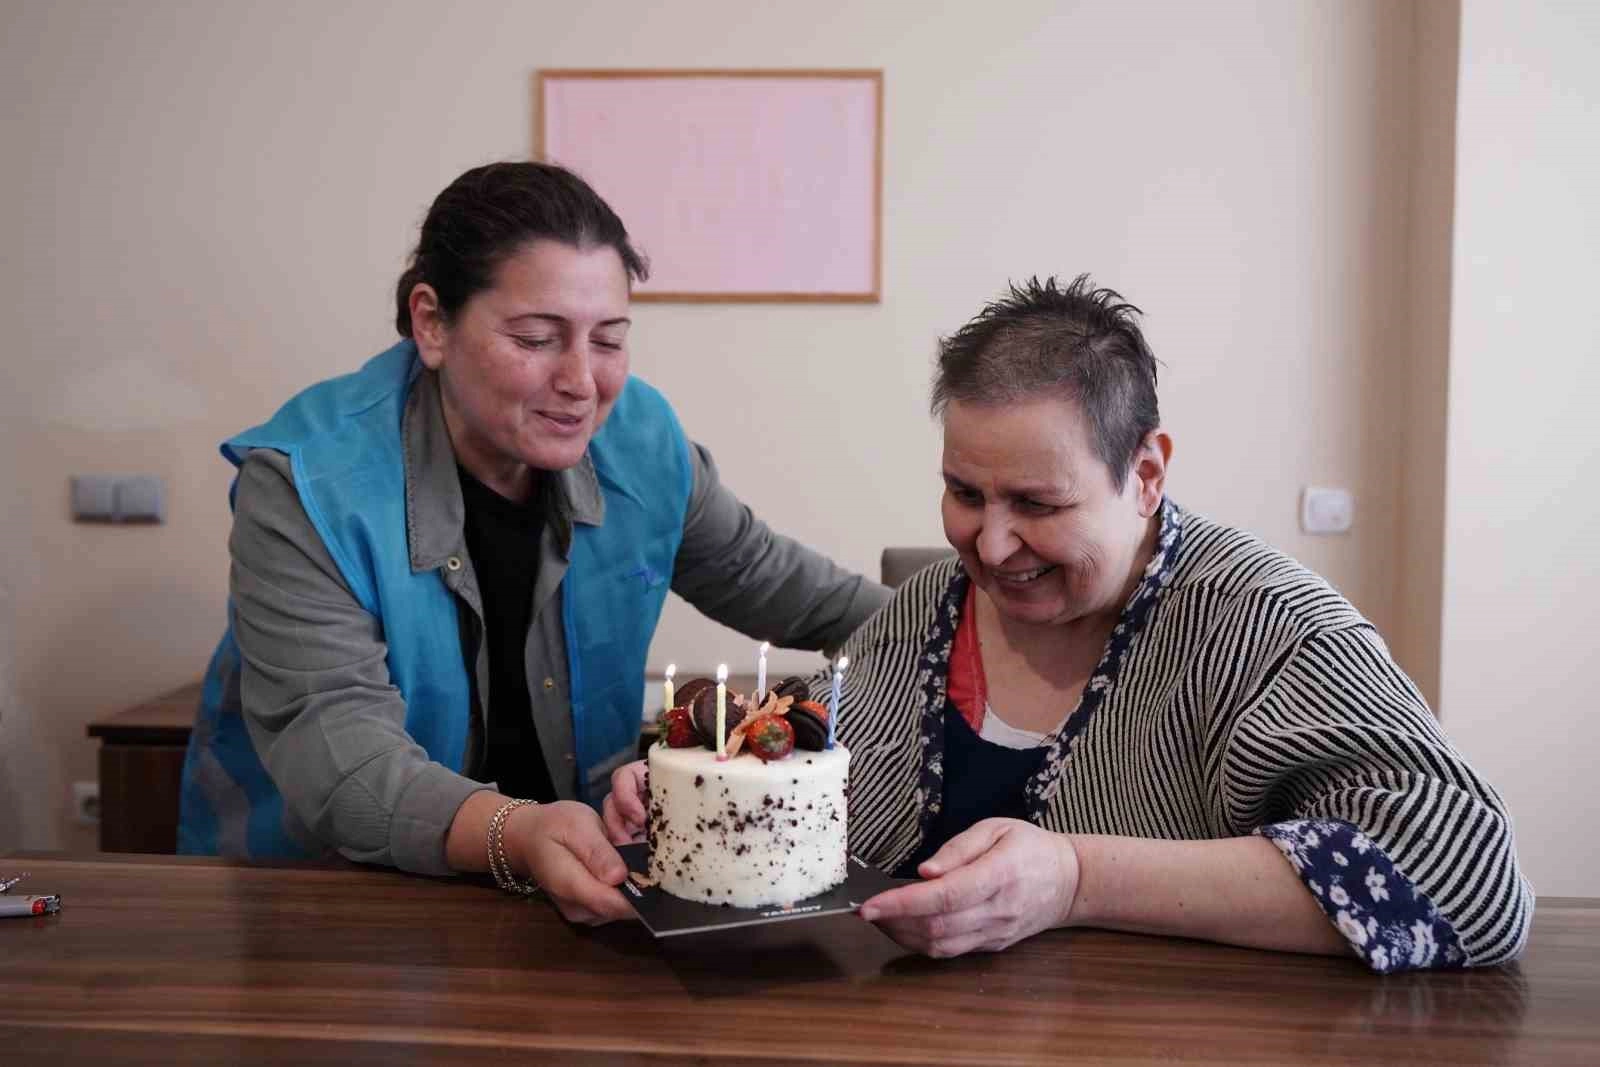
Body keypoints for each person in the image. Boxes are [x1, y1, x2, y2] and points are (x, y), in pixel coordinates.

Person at [606, 275, 1533, 972]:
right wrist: (687, 793)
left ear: (1147, 473)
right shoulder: (923, 616)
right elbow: (801, 786)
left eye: (1038, 503)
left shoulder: (1265, 626)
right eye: (964, 492)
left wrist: (1077, 878)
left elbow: (1470, 882)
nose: (991, 544)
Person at [178, 162, 889, 924]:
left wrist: (964, 618)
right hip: (326, 902)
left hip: (568, 893)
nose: (582, 381)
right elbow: (342, 755)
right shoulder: (306, 485)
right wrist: (516, 833)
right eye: (537, 338)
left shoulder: (640, 441)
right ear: (431, 323)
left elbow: (783, 585)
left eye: (608, 340)